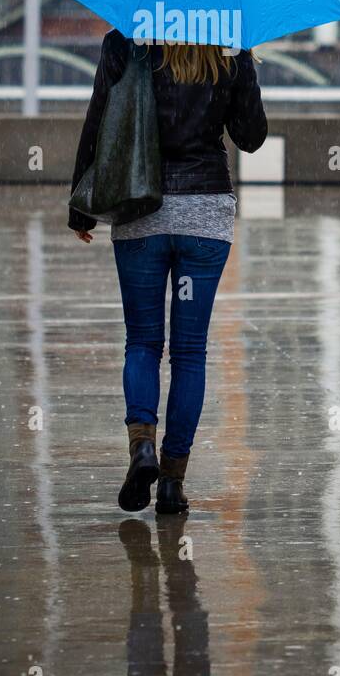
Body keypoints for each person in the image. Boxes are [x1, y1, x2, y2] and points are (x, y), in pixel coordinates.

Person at [69, 31, 267, 515]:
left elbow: (98, 121)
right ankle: (173, 483)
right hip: (204, 214)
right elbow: (251, 137)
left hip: (141, 209)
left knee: (141, 342)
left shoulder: (123, 41)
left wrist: (81, 205)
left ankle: (142, 446)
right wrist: (242, 63)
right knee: (189, 352)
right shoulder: (226, 44)